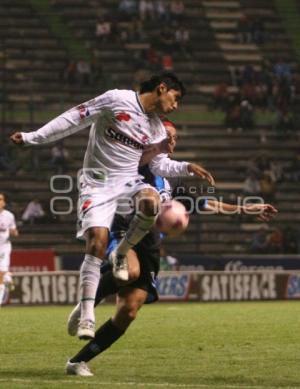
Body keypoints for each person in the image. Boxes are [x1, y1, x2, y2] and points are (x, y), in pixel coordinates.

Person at [65, 122, 277, 376]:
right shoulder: (133, 163)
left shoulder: (171, 178)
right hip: (121, 229)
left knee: (129, 310)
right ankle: (87, 304)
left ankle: (77, 361)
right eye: (167, 137)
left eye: (175, 138)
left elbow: (204, 203)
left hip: (150, 243)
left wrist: (246, 209)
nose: (172, 143)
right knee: (129, 272)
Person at [10, 72, 210, 340]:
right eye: (176, 99)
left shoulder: (156, 127)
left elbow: (157, 164)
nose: (176, 106)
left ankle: (122, 252)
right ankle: (87, 317)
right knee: (96, 244)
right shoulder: (117, 99)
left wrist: (187, 167)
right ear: (162, 89)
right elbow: (73, 118)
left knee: (151, 203)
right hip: (97, 183)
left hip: (129, 182)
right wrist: (32, 136)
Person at [0, 193, 18, 305]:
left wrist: (14, 232)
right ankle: (8, 278)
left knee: (0, 273)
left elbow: (14, 230)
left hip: (4, 247)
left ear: (4, 202)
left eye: (0, 199)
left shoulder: (9, 215)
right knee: (3, 274)